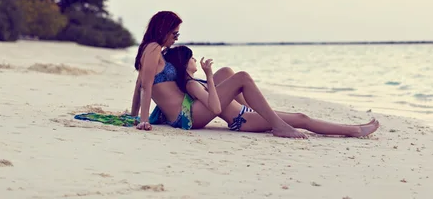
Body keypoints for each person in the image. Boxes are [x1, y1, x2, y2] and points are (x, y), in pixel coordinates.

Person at [130, 11, 307, 138]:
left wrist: (133, 114)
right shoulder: (153, 48)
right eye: (175, 33)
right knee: (242, 77)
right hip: (186, 115)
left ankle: (253, 111)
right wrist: (143, 120)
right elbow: (145, 86)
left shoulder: (148, 51)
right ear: (163, 30)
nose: (176, 38)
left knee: (225, 73)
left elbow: (139, 86)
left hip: (185, 110)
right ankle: (276, 125)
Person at [161, 45, 380, 137]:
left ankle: (266, 113)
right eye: (191, 58)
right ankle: (354, 131)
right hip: (241, 121)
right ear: (183, 64)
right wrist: (209, 75)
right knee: (301, 118)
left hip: (243, 113)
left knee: (228, 71)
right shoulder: (192, 84)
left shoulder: (192, 83)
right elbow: (215, 106)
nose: (194, 60)